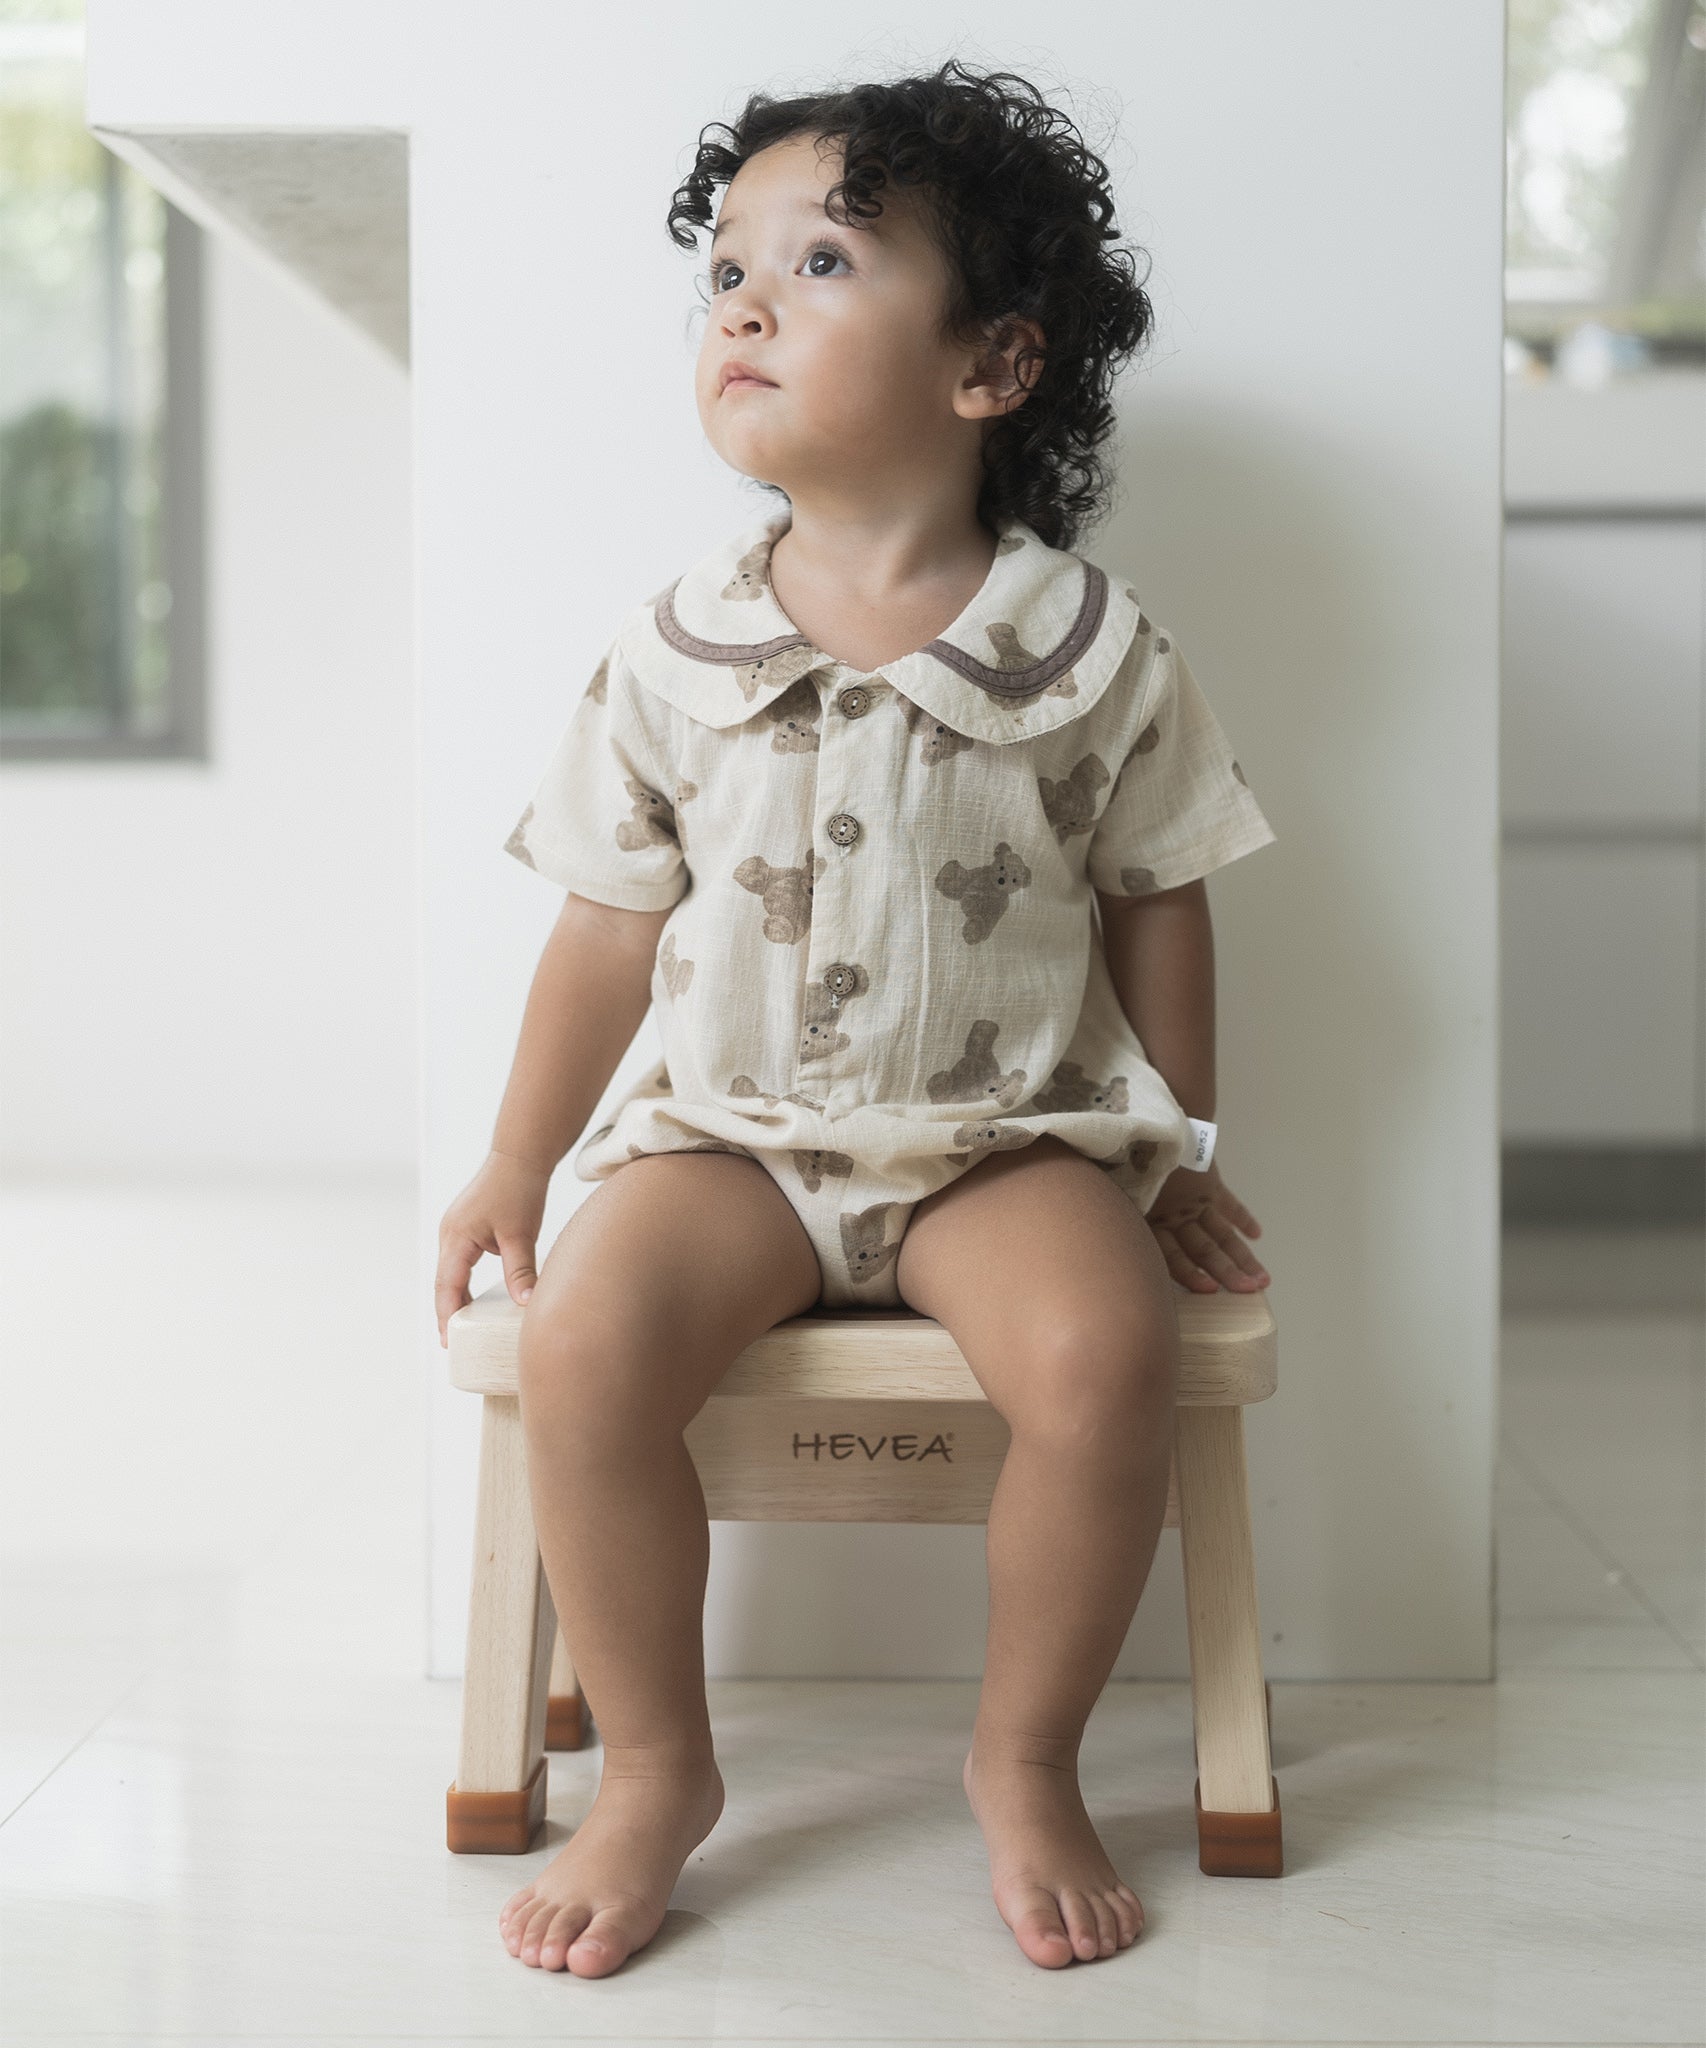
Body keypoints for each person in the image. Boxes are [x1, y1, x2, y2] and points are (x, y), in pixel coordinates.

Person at [435, 57, 1277, 1980]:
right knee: (583, 1348)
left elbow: (1161, 903)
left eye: (818, 262)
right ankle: (659, 1770)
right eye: (724, 270)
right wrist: (512, 1162)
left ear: (991, 363)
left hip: (1007, 1147)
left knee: (1102, 1356)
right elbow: (601, 930)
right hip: (728, 1141)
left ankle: (1023, 1758)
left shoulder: (1092, 652)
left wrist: (1177, 1156)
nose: (743, 303)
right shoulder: (674, 652)